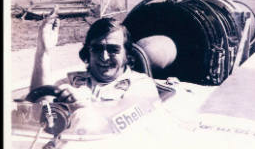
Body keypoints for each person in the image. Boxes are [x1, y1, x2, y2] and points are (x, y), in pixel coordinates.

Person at [30, 10, 160, 111]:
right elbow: (38, 110)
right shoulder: (70, 83)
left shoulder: (142, 85)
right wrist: (43, 51)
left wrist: (84, 106)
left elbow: (123, 124)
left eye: (113, 49)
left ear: (127, 55)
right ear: (88, 52)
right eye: (97, 48)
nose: (104, 57)